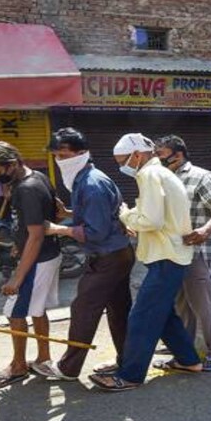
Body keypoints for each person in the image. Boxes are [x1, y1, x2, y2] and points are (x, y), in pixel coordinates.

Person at [89, 133, 200, 392]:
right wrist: (135, 218)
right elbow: (156, 215)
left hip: (166, 256)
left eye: (122, 160)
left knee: (141, 317)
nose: (121, 166)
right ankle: (189, 361)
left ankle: (130, 375)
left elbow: (151, 220)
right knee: (164, 315)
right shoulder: (160, 174)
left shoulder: (149, 175)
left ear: (137, 154)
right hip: (170, 254)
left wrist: (126, 215)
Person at [33, 128, 135, 381]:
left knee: (83, 309)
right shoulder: (84, 178)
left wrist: (59, 229)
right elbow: (98, 216)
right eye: (56, 155)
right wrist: (68, 213)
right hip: (116, 253)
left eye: (64, 155)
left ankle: (69, 368)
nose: (59, 161)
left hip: (109, 257)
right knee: (119, 310)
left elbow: (96, 231)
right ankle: (128, 359)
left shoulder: (91, 184)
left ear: (81, 153)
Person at [0, 140, 61, 389]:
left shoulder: (27, 188)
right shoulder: (37, 177)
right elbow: (48, 215)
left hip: (38, 258)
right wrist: (18, 240)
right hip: (44, 254)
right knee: (37, 309)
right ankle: (43, 359)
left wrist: (17, 278)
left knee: (14, 312)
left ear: (12, 165)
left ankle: (18, 365)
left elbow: (36, 234)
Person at [155, 135, 211, 371]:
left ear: (177, 155)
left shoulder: (201, 176)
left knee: (203, 304)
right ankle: (184, 351)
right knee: (182, 304)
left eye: (161, 155)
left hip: (200, 251)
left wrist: (206, 229)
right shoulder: (164, 179)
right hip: (175, 253)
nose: (157, 160)